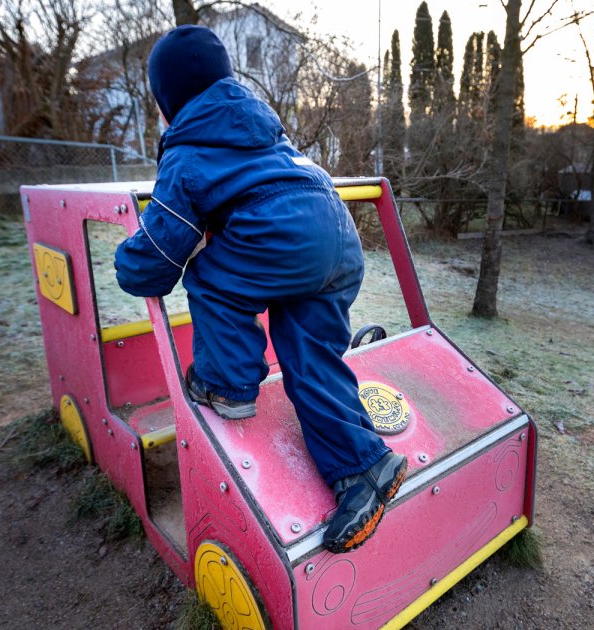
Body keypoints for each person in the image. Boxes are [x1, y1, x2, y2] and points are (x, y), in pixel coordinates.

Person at [112, 25, 406, 553]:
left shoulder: (186, 153)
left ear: (170, 101)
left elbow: (155, 261)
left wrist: (125, 260)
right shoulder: (265, 129)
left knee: (208, 277)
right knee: (311, 357)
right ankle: (365, 467)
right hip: (337, 233)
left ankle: (226, 383)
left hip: (282, 237)